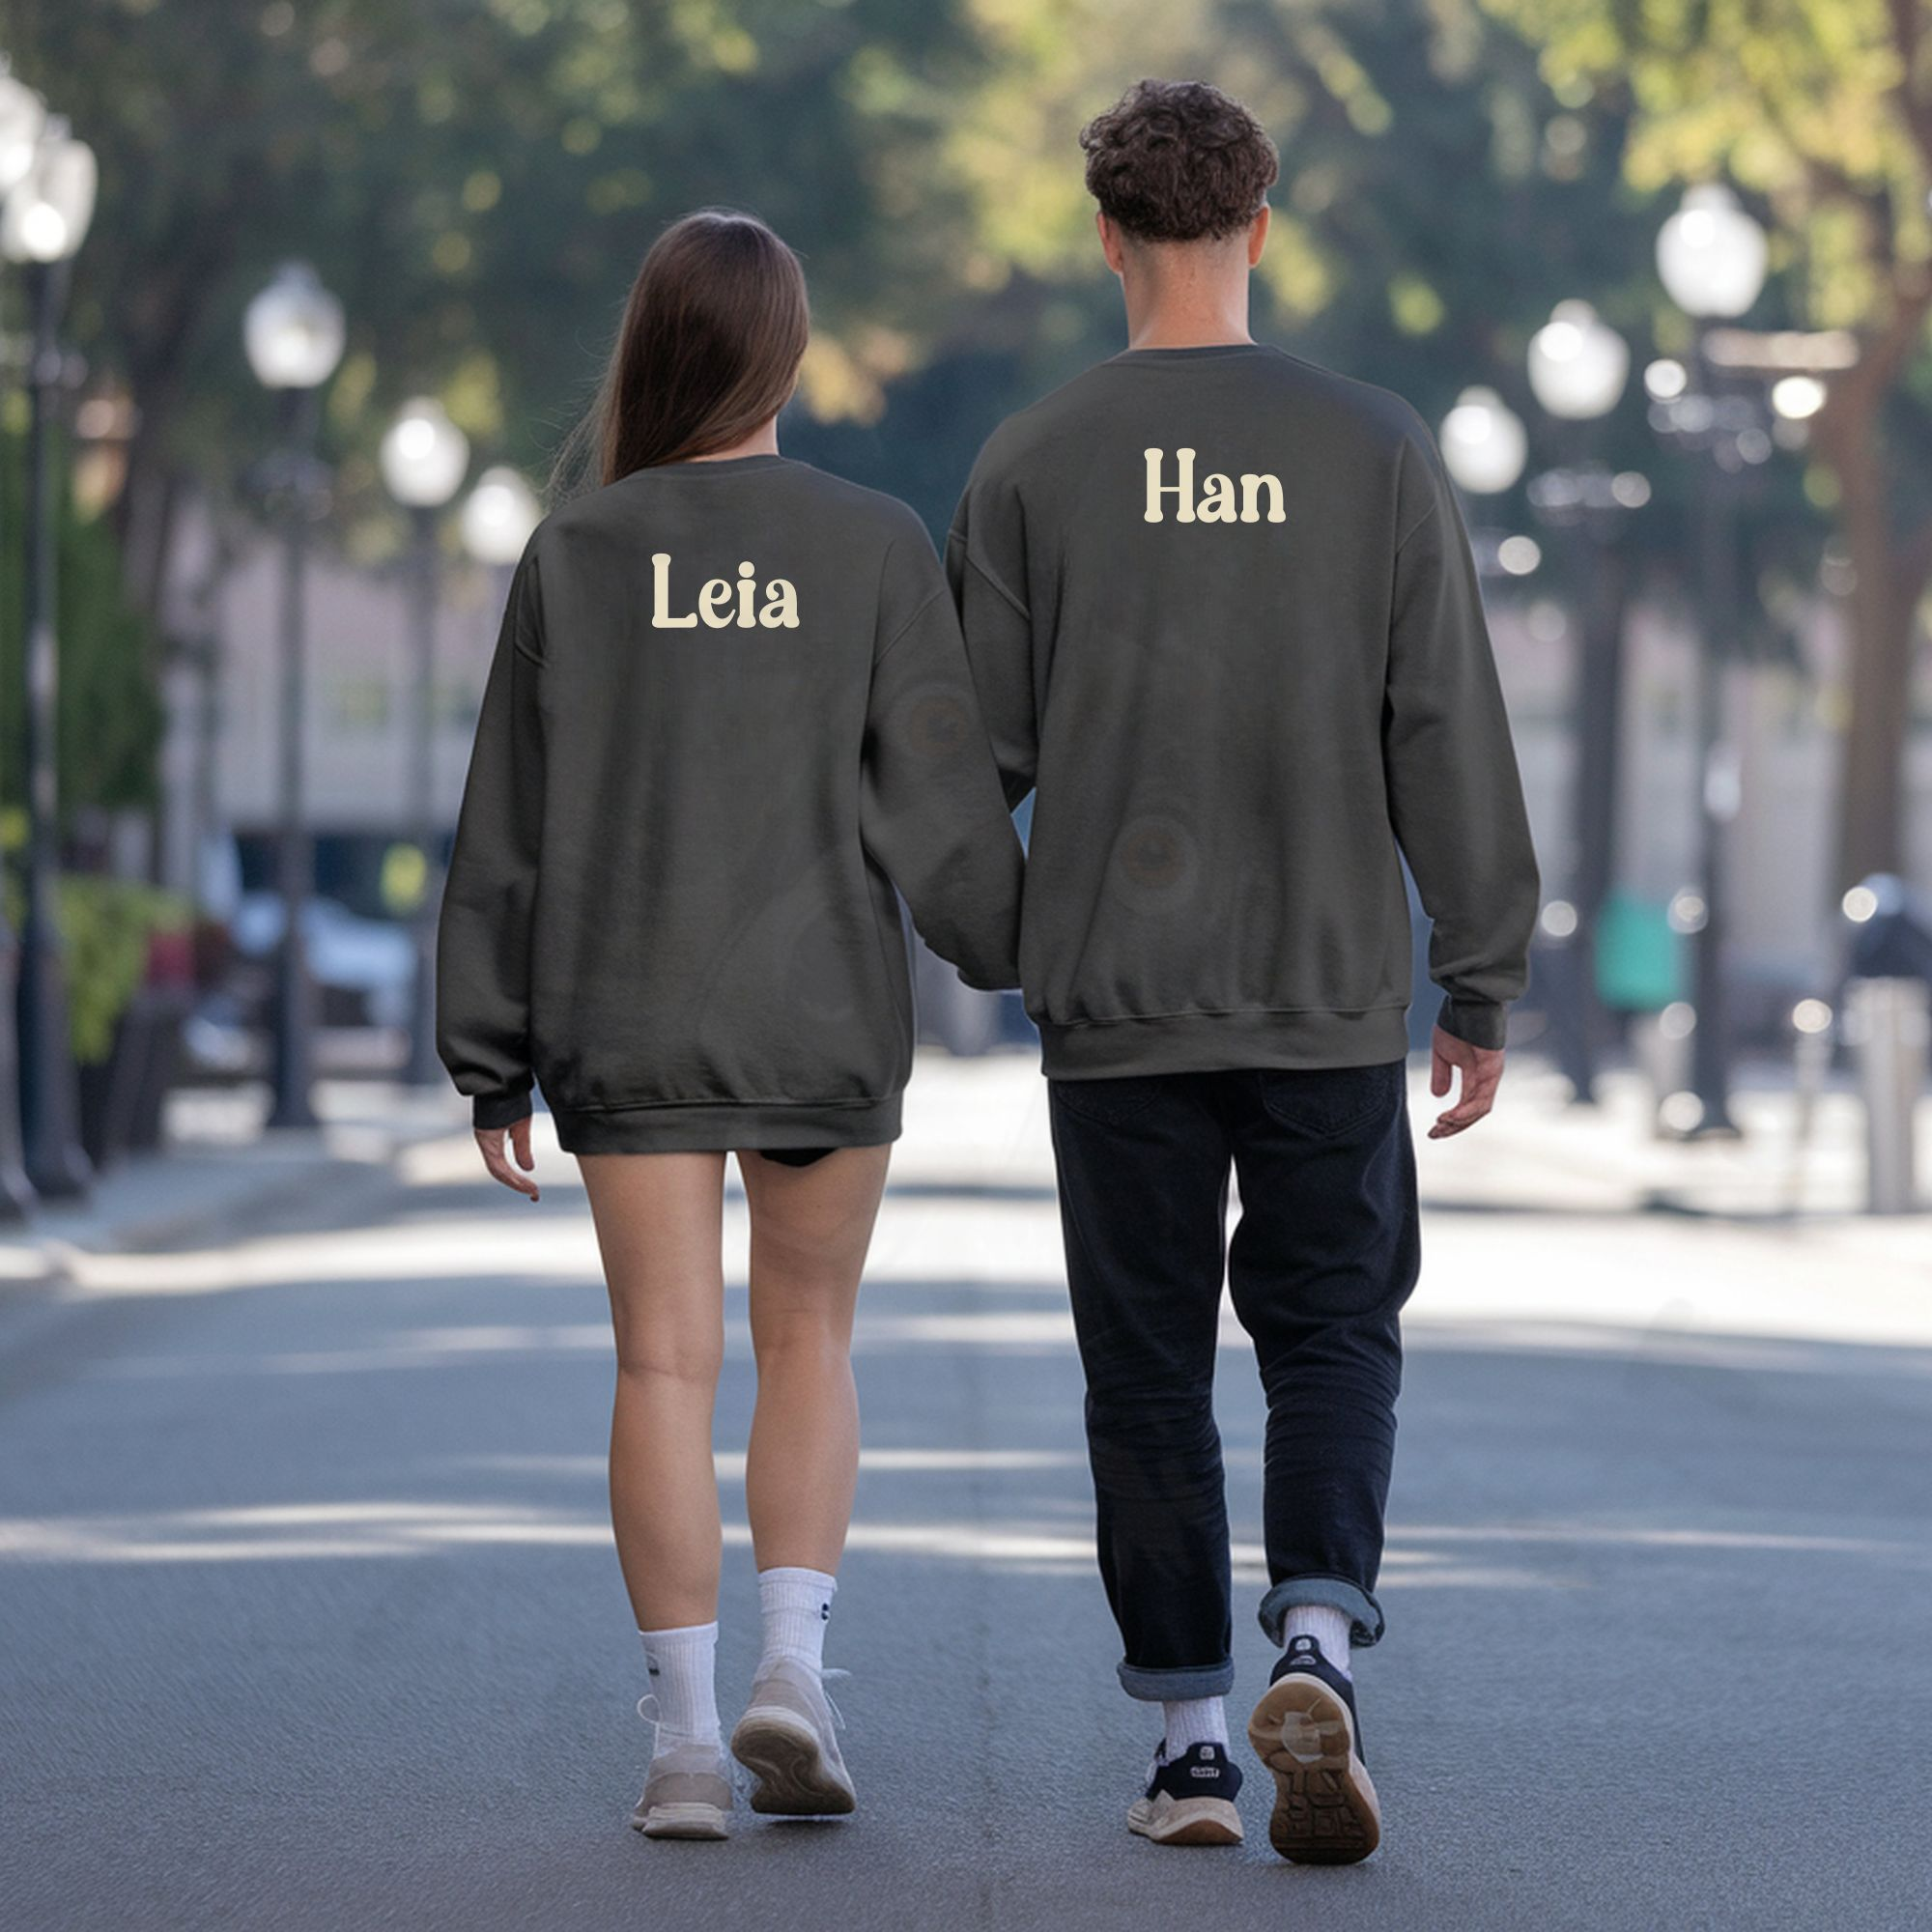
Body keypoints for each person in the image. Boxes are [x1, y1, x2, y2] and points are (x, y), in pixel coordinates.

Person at [948, 80, 1540, 1861]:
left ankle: (1193, 1748)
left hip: (1117, 1006)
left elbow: (962, 766)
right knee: (1333, 1334)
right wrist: (1484, 972)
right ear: (1260, 230)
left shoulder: (1034, 462)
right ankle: (1319, 1635)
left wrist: (1011, 940)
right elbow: (1442, 724)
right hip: (1325, 988)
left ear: (1108, 238)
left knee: (1144, 1370)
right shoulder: (1371, 449)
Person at [437, 209, 1024, 1842]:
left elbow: (510, 824)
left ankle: (686, 1742)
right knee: (807, 1342)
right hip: (823, 1009)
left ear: (654, 343)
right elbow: (943, 815)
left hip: (627, 1010)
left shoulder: (576, 554)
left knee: (662, 1364)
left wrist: (486, 1046)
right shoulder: (873, 544)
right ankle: (793, 1672)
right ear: (788, 354)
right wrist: (1037, 953)